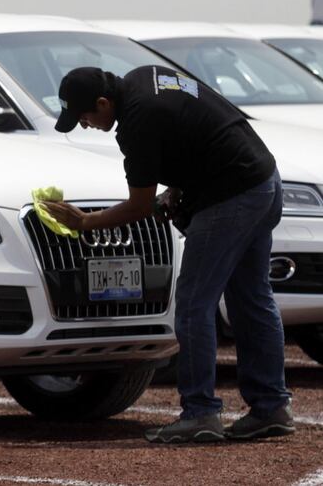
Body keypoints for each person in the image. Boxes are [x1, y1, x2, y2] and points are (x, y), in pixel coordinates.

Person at [44, 65, 293, 444]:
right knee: (252, 297)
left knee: (194, 304)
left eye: (85, 117)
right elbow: (196, 128)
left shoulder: (136, 121)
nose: (84, 125)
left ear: (103, 102)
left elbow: (138, 207)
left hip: (231, 195)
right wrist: (178, 188)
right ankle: (271, 407)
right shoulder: (147, 77)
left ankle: (200, 413)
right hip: (262, 178)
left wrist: (84, 223)